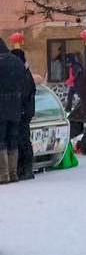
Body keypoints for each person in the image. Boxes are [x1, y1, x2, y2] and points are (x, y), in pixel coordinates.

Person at [0, 38, 27, 183]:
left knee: (1, 140)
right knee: (12, 139)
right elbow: (24, 83)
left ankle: (3, 174)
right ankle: (13, 173)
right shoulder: (17, 62)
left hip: (1, 107)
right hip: (15, 107)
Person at [11, 49, 36, 180]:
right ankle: (22, 168)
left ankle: (27, 169)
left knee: (23, 140)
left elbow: (24, 94)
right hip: (24, 111)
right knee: (21, 140)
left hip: (23, 112)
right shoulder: (24, 72)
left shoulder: (23, 74)